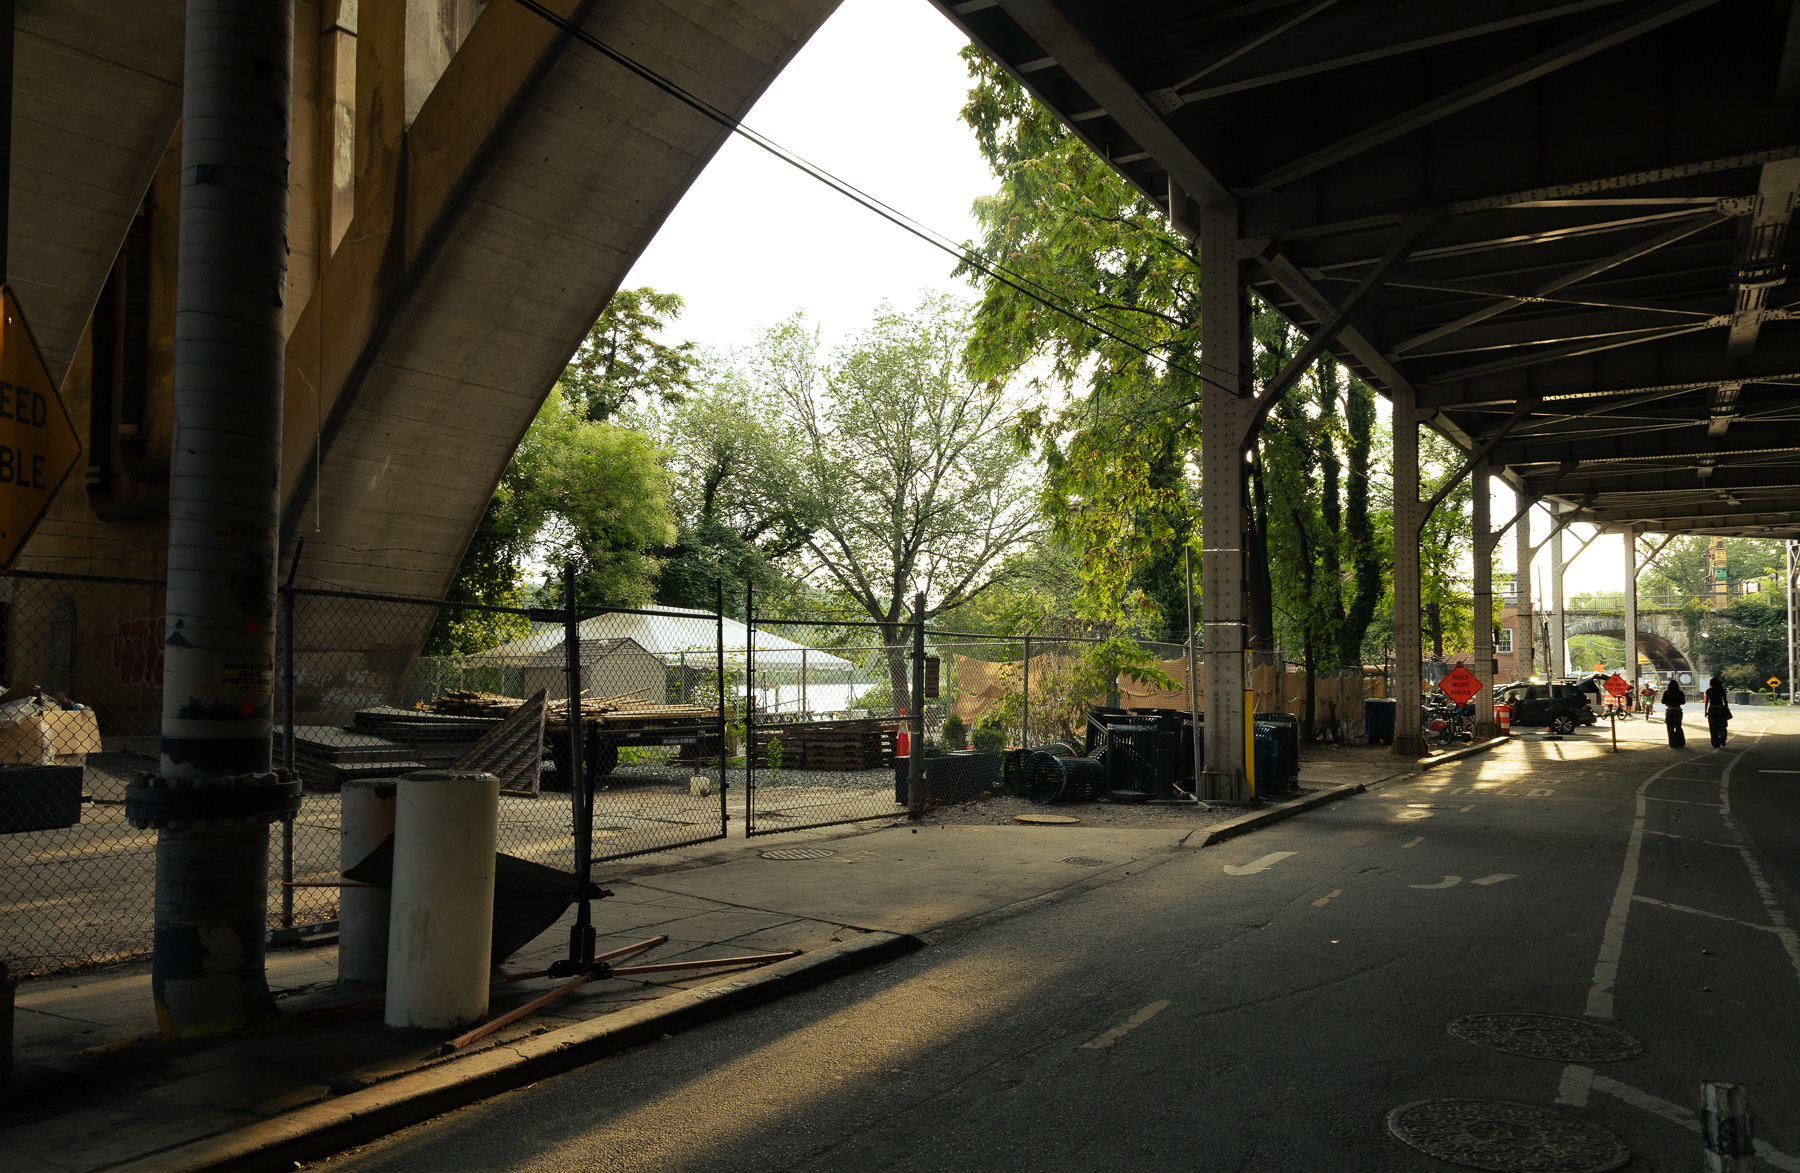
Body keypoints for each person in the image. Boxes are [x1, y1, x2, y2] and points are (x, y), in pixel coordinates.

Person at [1703, 675, 1731, 748]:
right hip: (1721, 709)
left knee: (1713, 727)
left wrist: (1705, 711)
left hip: (1712, 710)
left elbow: (1706, 702)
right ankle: (1722, 736)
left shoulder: (1709, 691)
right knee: (1722, 725)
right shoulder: (1722, 690)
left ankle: (1716, 744)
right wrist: (1726, 709)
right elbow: (1725, 701)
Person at [1662, 679, 1686, 747]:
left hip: (1669, 710)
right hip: (1678, 710)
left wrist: (1668, 702)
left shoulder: (1666, 692)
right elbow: (1683, 702)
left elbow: (1663, 701)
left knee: (1670, 727)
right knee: (1678, 726)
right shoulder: (1680, 693)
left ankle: (1673, 744)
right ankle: (1681, 743)